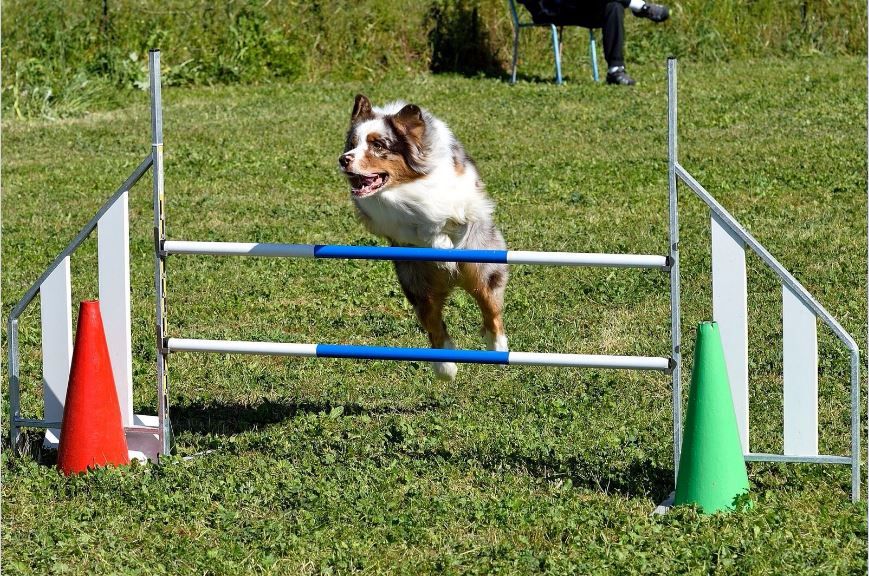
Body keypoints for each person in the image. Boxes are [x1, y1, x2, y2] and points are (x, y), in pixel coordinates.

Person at [519, 0, 670, 85]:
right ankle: (640, 7)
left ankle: (615, 70)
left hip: (575, 7)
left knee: (613, 6)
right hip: (549, 9)